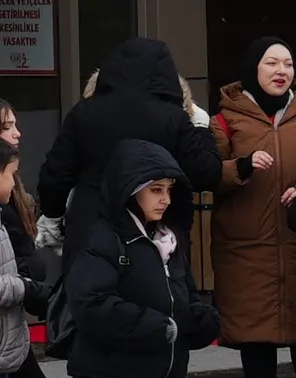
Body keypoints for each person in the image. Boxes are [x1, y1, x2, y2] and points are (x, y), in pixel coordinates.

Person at [54, 145, 215, 378]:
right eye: (155, 189)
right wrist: (159, 326)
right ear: (130, 189)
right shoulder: (103, 238)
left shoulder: (168, 244)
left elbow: (183, 302)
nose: (165, 199)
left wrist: (202, 322)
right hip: (109, 377)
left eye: (169, 190)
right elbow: (91, 304)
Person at [207, 44, 296, 378]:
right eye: (271, 63)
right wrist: (238, 167)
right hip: (247, 247)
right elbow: (204, 172)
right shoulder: (224, 119)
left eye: (288, 63)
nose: (281, 71)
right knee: (254, 338)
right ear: (251, 68)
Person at [33, 34, 219, 246]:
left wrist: (53, 217)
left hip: (92, 229)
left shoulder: (84, 112)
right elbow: (207, 172)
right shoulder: (173, 118)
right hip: (156, 234)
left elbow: (56, 173)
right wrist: (201, 126)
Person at [0, 150, 43, 378]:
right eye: (8, 175)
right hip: (4, 336)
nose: (13, 183)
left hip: (8, 335)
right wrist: (24, 287)